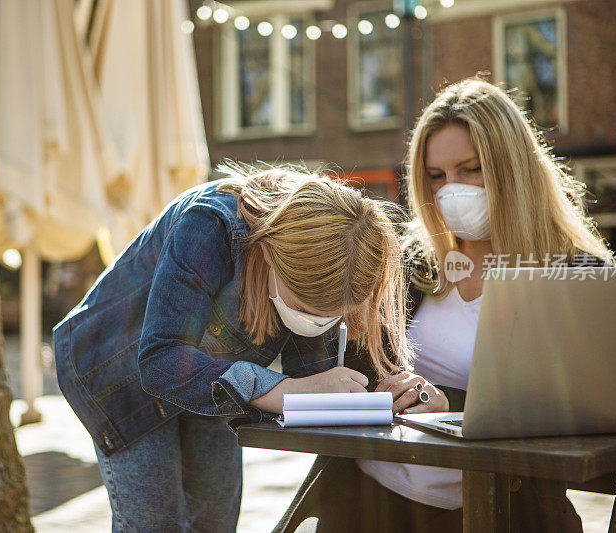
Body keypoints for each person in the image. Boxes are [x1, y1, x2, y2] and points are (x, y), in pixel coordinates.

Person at [276, 77, 614, 533]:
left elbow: (581, 412)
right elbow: (355, 365)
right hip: (369, 503)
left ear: (513, 166)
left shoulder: (576, 271)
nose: (451, 189)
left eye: (470, 169)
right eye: (436, 176)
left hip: (504, 512)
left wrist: (447, 405)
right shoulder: (410, 259)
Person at [53, 163, 412, 532]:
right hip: (120, 375)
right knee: (156, 524)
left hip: (211, 379)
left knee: (216, 522)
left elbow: (310, 375)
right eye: (304, 309)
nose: (315, 324)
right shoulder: (209, 226)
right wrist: (278, 390)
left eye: (330, 317)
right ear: (273, 254)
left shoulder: (333, 250)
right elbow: (162, 361)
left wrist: (396, 390)